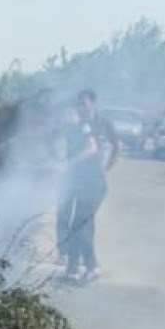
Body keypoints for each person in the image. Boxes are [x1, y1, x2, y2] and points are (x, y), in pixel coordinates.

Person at [59, 88, 120, 283]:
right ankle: (73, 269)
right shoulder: (76, 125)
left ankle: (92, 267)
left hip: (94, 183)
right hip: (77, 183)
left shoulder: (99, 123)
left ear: (93, 103)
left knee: (79, 225)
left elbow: (97, 147)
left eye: (83, 104)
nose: (80, 108)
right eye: (77, 105)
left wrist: (106, 167)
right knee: (79, 225)